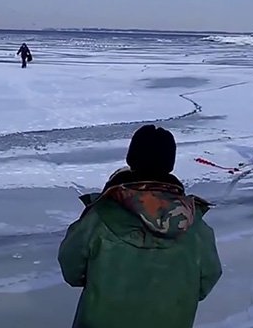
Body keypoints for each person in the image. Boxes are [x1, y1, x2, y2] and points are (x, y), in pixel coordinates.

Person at [58, 124, 222, 328]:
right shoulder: (194, 225)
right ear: (169, 165)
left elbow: (72, 271)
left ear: (131, 159)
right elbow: (207, 280)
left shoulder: (100, 216)